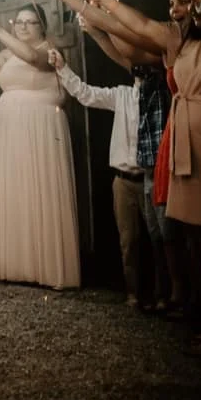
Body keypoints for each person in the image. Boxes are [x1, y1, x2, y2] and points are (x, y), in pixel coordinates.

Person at [0, 8, 81, 289]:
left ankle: (50, 269)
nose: (22, 26)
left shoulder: (49, 50)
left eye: (29, 22)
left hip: (42, 129)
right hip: (13, 132)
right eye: (18, 22)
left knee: (42, 186)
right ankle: (20, 266)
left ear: (41, 26)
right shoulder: (7, 53)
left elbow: (32, 58)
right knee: (18, 189)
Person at [48, 47, 147, 307]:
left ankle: (164, 296)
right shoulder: (121, 95)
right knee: (128, 241)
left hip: (150, 179)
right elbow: (86, 94)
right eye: (138, 70)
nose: (141, 75)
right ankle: (133, 294)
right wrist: (62, 67)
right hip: (123, 181)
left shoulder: (161, 99)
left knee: (161, 241)